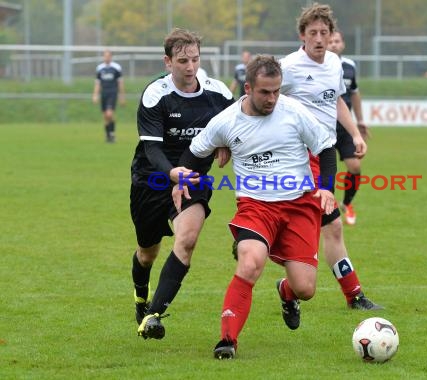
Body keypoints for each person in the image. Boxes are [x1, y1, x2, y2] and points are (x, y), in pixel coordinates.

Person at [174, 55, 337, 359]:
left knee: (305, 288)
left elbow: (326, 148)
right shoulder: (226, 121)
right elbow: (194, 154)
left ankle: (286, 292)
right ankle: (227, 340)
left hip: (299, 205)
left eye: (277, 91)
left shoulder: (293, 111)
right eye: (265, 92)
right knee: (250, 262)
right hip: (255, 207)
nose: (272, 98)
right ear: (248, 88)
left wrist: (326, 188)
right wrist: (181, 178)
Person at [130, 28, 234, 340]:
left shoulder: (219, 94)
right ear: (168, 62)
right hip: (152, 177)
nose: (190, 67)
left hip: (194, 178)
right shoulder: (155, 94)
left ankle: (153, 315)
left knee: (186, 240)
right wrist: (173, 173)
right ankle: (140, 297)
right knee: (147, 253)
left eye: (195, 60)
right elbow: (151, 149)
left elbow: (237, 127)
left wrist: (227, 144)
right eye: (182, 61)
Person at [279, 3, 382, 310]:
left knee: (327, 226)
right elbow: (265, 98)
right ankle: (349, 294)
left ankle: (296, 288)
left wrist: (354, 133)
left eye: (325, 32)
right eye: (313, 33)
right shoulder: (290, 66)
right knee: (327, 225)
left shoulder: (335, 63)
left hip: (324, 155)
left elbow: (337, 101)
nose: (320, 39)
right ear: (302, 35)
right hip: (297, 157)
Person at [328, 29, 371, 225]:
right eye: (331, 41)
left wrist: (360, 122)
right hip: (324, 124)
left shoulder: (350, 66)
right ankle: (324, 208)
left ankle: (347, 204)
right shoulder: (320, 66)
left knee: (355, 167)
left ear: (343, 44)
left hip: (345, 125)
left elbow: (354, 94)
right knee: (321, 172)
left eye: (337, 41)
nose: (334, 44)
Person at [92, 50, 125, 143]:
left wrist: (122, 96)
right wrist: (95, 95)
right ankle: (108, 135)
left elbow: (120, 83)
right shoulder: (100, 68)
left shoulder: (116, 67)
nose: (106, 58)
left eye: (108, 56)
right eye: (105, 56)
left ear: (111, 57)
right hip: (104, 93)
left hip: (112, 93)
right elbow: (97, 84)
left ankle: (112, 134)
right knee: (105, 116)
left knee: (109, 114)